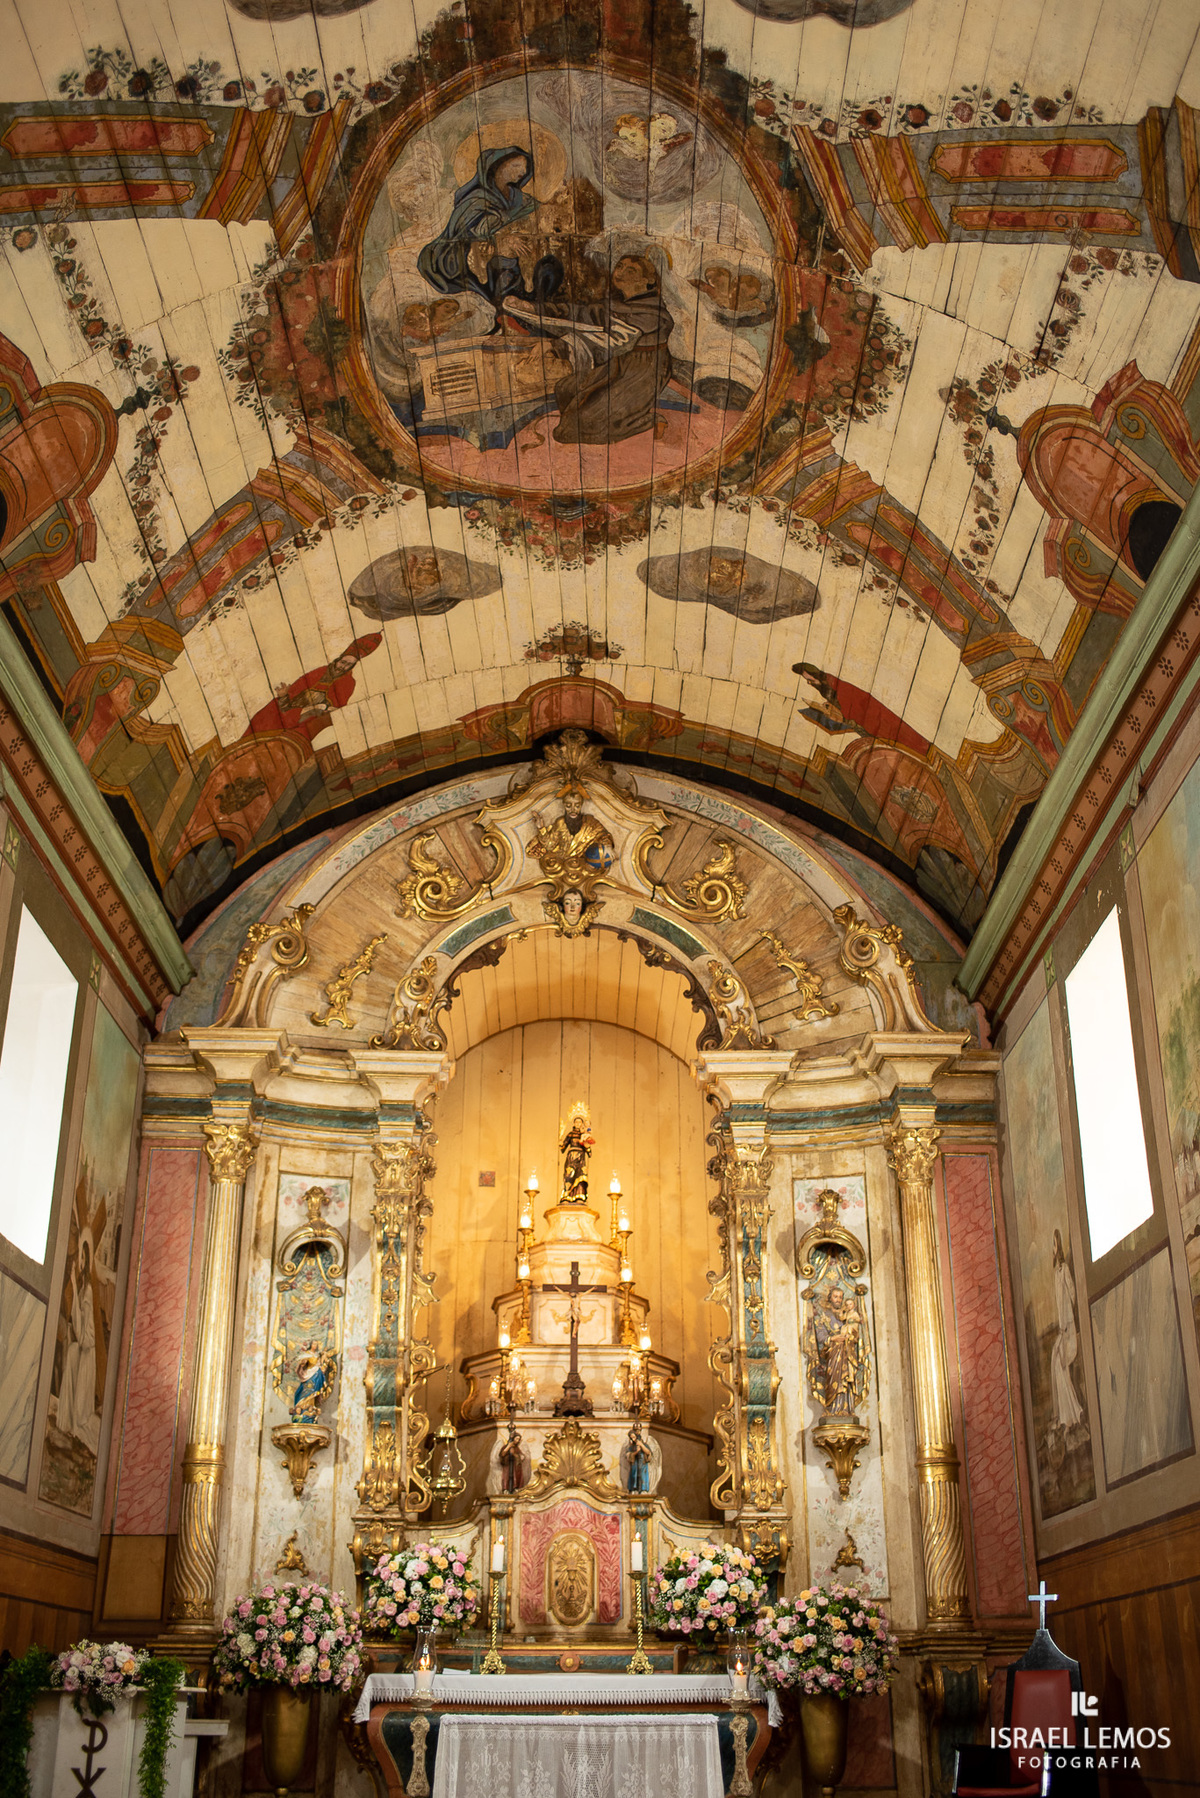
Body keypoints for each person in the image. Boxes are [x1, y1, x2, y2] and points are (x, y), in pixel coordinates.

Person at [509, 254, 674, 445]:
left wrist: (556, 346)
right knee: (565, 389)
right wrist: (531, 308)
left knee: (574, 427)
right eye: (620, 266)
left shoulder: (651, 313)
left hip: (642, 372)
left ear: (648, 280)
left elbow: (612, 342)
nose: (620, 273)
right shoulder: (619, 303)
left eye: (631, 271)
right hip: (619, 364)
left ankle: (648, 420)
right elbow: (580, 314)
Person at [418, 147, 537, 305]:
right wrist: (502, 239)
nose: (523, 171)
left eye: (525, 167)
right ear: (497, 166)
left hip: (508, 256)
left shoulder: (519, 198)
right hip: (461, 255)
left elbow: (538, 214)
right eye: (516, 166)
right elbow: (466, 232)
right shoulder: (475, 200)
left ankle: (517, 299)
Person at [243, 635, 382, 741]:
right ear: (338, 660)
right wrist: (284, 695)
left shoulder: (349, 683)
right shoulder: (320, 672)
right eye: (343, 662)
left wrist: (320, 709)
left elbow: (337, 708)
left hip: (312, 719)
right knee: (264, 717)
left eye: (348, 665)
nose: (343, 667)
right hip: (291, 709)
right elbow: (293, 694)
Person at [1050, 1229, 1084, 1433]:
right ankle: (1067, 1415)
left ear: (1059, 1247)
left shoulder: (1064, 1270)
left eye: (1055, 1244)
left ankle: (1074, 1413)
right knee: (1055, 1362)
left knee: (1060, 1364)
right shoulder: (1056, 1273)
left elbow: (1071, 1293)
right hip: (1063, 1327)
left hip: (1069, 1327)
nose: (1053, 1248)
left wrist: (1069, 1320)